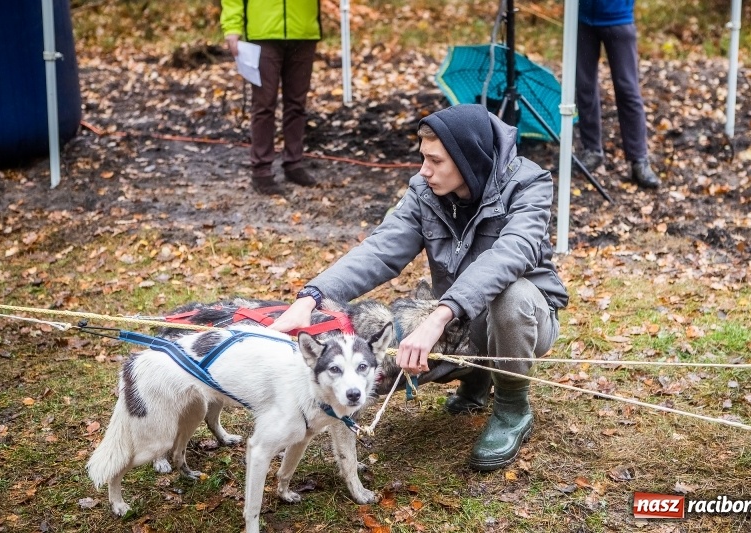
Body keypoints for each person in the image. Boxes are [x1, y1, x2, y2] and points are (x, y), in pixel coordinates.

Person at [269, 104, 569, 471]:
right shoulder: (425, 191)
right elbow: (381, 250)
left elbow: (510, 254)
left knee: (511, 296)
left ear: (468, 159)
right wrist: (312, 296)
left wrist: (438, 318)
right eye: (422, 158)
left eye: (435, 161)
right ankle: (475, 375)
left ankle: (511, 406)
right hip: (458, 319)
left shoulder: (528, 184)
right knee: (379, 355)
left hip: (524, 320)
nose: (423, 170)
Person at [221, 0, 320, 195]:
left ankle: (294, 163)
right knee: (264, 104)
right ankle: (261, 170)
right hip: (262, 33)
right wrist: (232, 27)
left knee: (297, 104)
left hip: (303, 31)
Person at [576, 0, 661, 189]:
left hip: (618, 18)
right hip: (582, 19)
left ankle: (639, 159)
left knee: (627, 90)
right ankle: (592, 151)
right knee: (584, 87)